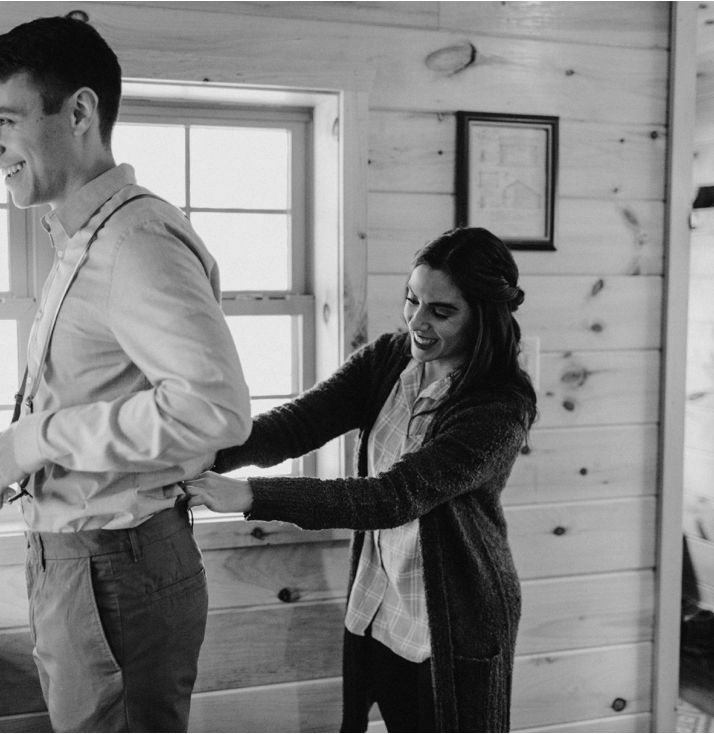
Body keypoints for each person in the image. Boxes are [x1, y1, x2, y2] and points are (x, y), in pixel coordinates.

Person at [0, 14, 251, 733]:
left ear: (81, 112)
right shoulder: (82, 238)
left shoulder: (135, 242)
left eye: (4, 121)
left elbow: (213, 410)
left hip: (114, 571)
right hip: (84, 566)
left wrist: (39, 439)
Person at [186, 227, 537, 733]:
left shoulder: (500, 406)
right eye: (412, 300)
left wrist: (250, 496)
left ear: (484, 316)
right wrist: (202, 454)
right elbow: (298, 424)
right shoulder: (390, 360)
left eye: (441, 311)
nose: (417, 321)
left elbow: (393, 498)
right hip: (378, 606)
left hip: (451, 626)